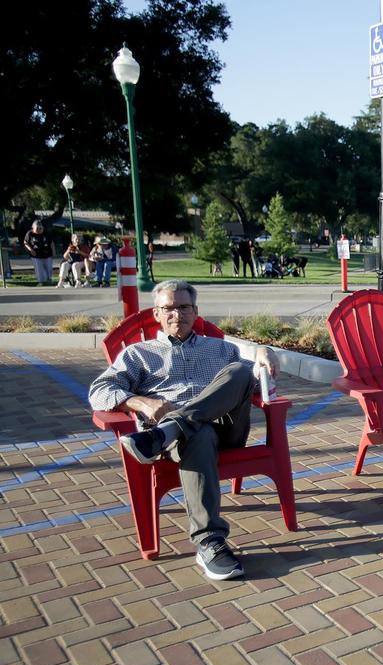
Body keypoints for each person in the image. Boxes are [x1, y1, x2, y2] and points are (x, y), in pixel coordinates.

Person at [88, 280, 279, 580]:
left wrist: (264, 355)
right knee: (197, 434)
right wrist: (140, 402)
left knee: (241, 370)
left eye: (184, 307)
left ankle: (170, 430)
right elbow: (99, 391)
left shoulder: (221, 349)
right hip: (188, 442)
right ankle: (209, 543)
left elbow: (250, 384)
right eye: (169, 308)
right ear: (156, 314)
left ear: (196, 311)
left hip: (225, 429)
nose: (177, 314)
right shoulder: (138, 355)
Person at [23, 220, 54, 285]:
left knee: (48, 268)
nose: (39, 230)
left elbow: (51, 243)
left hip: (47, 254)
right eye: (37, 228)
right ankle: (41, 281)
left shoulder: (45, 233)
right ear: (33, 228)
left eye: (41, 228)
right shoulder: (30, 234)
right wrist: (31, 250)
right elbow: (25, 243)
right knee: (39, 268)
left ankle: (49, 279)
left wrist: (53, 251)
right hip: (36, 255)